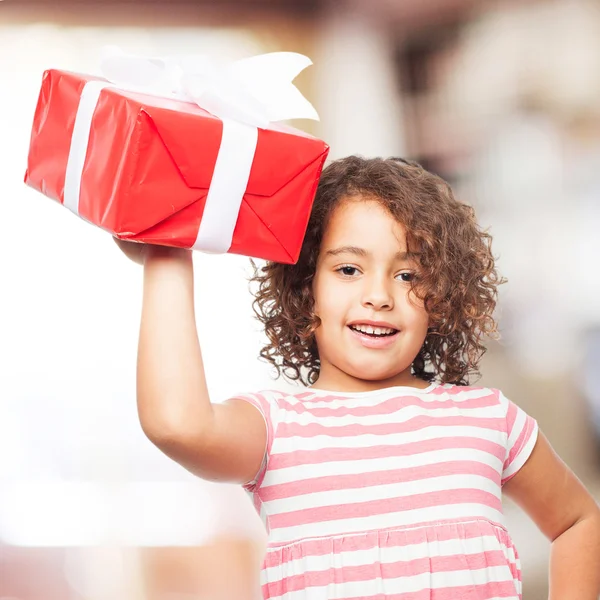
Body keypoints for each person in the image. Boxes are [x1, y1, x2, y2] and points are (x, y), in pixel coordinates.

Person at [115, 156, 600, 599]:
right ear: (305, 292)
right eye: (349, 269)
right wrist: (167, 257)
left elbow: (579, 521)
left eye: (408, 275)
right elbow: (177, 423)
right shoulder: (278, 430)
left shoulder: (488, 418)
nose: (379, 295)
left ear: (443, 295)